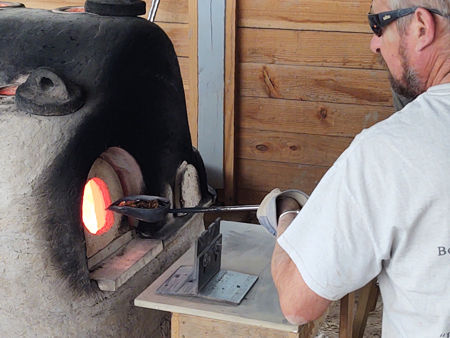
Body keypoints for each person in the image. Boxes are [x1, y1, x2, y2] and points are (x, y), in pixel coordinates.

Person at [257, 0, 450, 336]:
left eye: (379, 25)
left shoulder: (388, 150)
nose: (374, 43)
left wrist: (287, 215)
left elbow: (296, 301)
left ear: (421, 26)